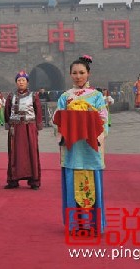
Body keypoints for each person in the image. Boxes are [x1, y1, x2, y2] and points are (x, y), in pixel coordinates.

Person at [54, 55, 108, 234]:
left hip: (90, 148)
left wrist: (96, 133)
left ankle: (93, 223)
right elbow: (58, 120)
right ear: (70, 75)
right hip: (72, 148)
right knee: (72, 182)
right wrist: (63, 133)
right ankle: (76, 224)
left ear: (88, 74)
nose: (78, 76)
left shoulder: (97, 96)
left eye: (81, 73)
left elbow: (103, 119)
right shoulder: (65, 97)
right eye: (75, 73)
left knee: (92, 183)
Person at [4, 71, 43, 189]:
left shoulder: (34, 95)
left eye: (23, 80)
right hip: (15, 128)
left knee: (31, 152)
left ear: (27, 82)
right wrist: (8, 123)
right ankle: (13, 180)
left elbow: (38, 111)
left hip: (29, 127)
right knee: (14, 153)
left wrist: (37, 125)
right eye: (19, 80)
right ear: (16, 82)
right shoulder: (11, 96)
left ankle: (34, 180)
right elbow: (7, 110)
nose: (21, 82)